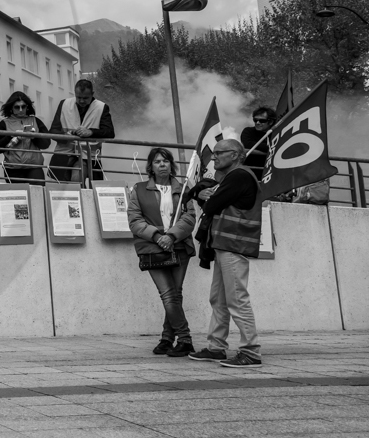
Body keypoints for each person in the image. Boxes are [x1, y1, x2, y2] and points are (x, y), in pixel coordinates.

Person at [188, 139, 263, 368]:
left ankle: (251, 351)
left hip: (233, 244)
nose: (214, 157)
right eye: (214, 154)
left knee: (236, 299)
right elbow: (210, 200)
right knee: (219, 299)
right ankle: (216, 347)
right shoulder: (232, 177)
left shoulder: (239, 176)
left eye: (220, 153)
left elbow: (211, 206)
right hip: (225, 244)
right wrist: (204, 194)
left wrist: (205, 197)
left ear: (236, 155)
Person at [127, 147, 196, 358]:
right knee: (168, 294)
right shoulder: (138, 189)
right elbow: (135, 220)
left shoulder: (183, 188)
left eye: (165, 161)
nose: (162, 164)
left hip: (179, 245)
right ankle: (184, 339)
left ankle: (167, 338)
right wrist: (158, 237)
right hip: (152, 247)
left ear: (171, 165)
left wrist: (172, 236)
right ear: (151, 167)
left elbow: (190, 216)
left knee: (175, 294)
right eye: (157, 162)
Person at [48, 79, 114, 182]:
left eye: (85, 98)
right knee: (61, 188)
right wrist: (68, 135)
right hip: (63, 156)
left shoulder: (101, 107)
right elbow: (53, 131)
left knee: (76, 183)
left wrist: (91, 132)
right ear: (75, 93)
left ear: (92, 94)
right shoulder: (64, 104)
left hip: (87, 157)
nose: (82, 101)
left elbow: (110, 132)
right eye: (78, 97)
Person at [0, 91, 49, 183]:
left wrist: (33, 136)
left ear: (28, 107)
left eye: (23, 106)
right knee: (18, 196)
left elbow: (46, 144)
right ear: (11, 108)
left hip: (34, 167)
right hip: (13, 168)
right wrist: (11, 135)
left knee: (37, 194)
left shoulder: (36, 120)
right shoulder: (4, 123)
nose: (21, 110)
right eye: (17, 107)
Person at [240, 106, 276, 178]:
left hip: (271, 174)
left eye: (262, 121)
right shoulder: (248, 131)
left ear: (271, 122)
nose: (258, 122)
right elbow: (248, 144)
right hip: (250, 172)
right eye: (255, 120)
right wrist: (269, 148)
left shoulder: (276, 133)